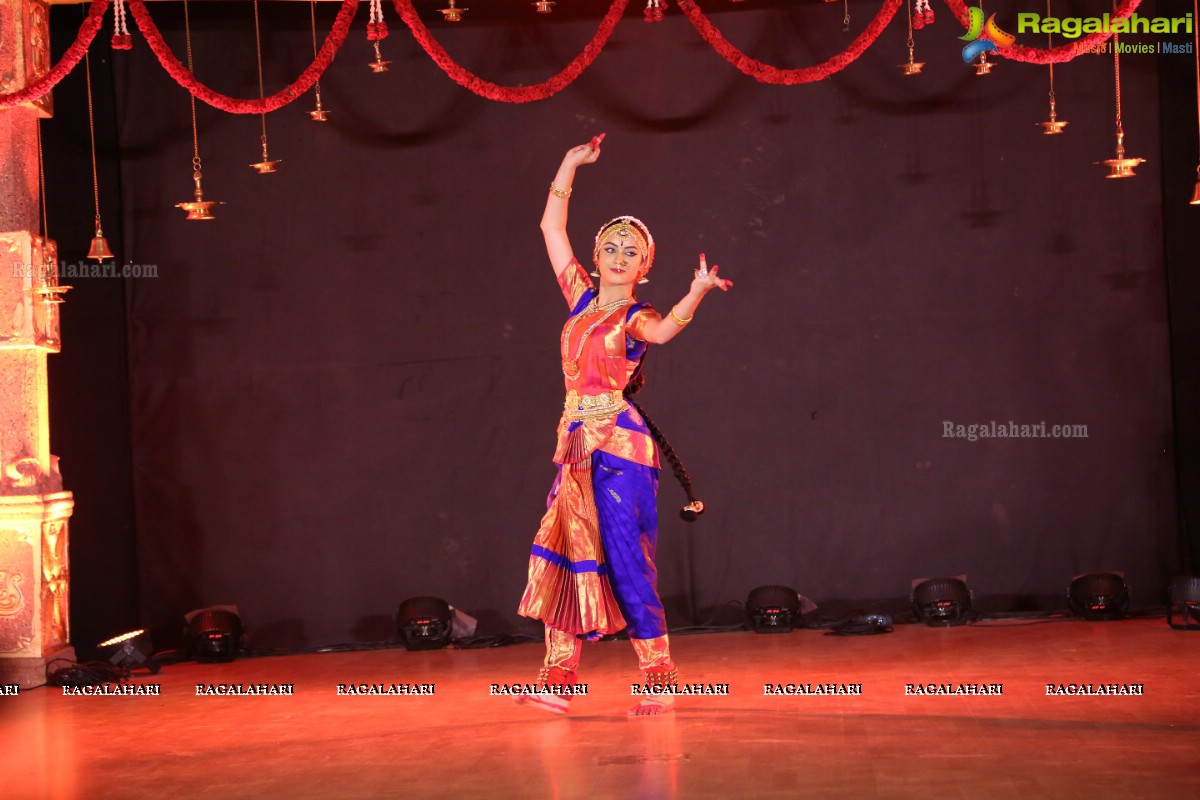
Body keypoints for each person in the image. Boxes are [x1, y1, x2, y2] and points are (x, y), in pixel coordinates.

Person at [516, 135, 732, 716]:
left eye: (629, 252)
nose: (617, 255)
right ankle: (558, 679)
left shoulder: (636, 315)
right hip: (574, 447)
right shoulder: (580, 299)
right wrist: (567, 163)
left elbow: (662, 335)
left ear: (643, 268)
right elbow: (550, 230)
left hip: (619, 448)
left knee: (628, 559)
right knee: (561, 552)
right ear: (595, 257)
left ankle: (659, 677)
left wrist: (697, 292)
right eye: (609, 246)